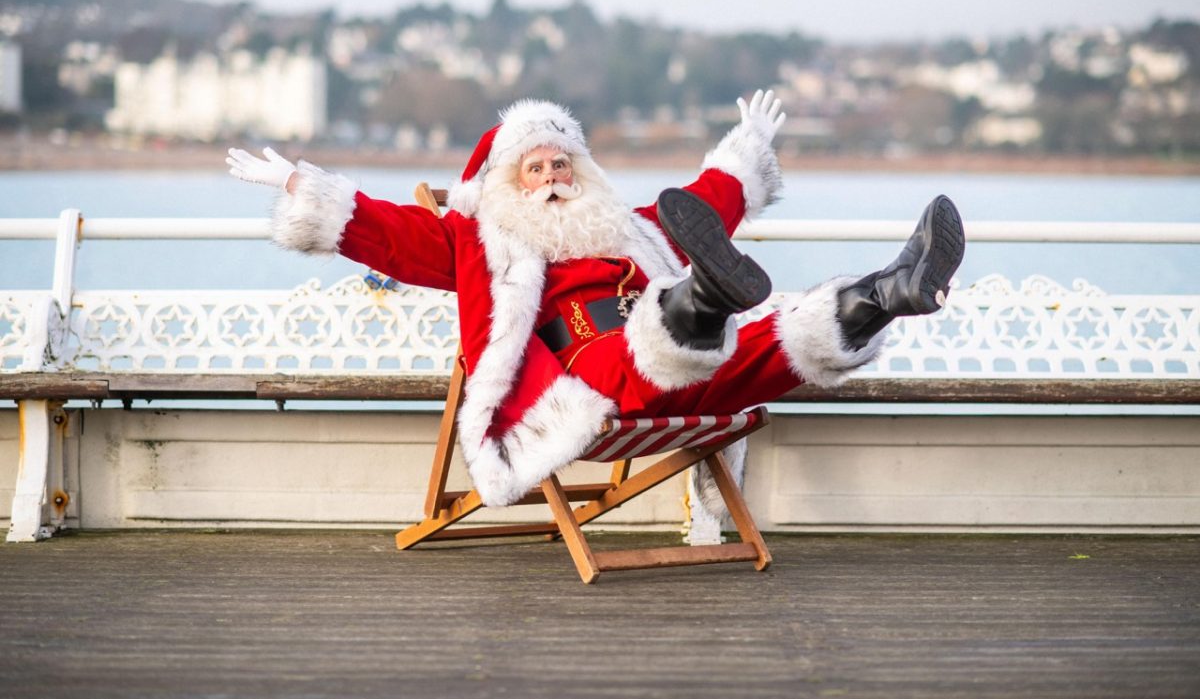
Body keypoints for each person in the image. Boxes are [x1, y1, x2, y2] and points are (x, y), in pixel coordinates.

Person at [227, 90, 965, 510]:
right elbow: (390, 233)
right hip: (582, 373)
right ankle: (700, 299)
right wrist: (301, 186)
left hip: (679, 374)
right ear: (509, 182)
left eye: (562, 163)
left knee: (775, 343)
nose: (553, 176)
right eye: (536, 167)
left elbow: (705, 203)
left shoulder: (630, 227)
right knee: (643, 349)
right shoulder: (477, 239)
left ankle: (889, 291)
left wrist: (748, 145)